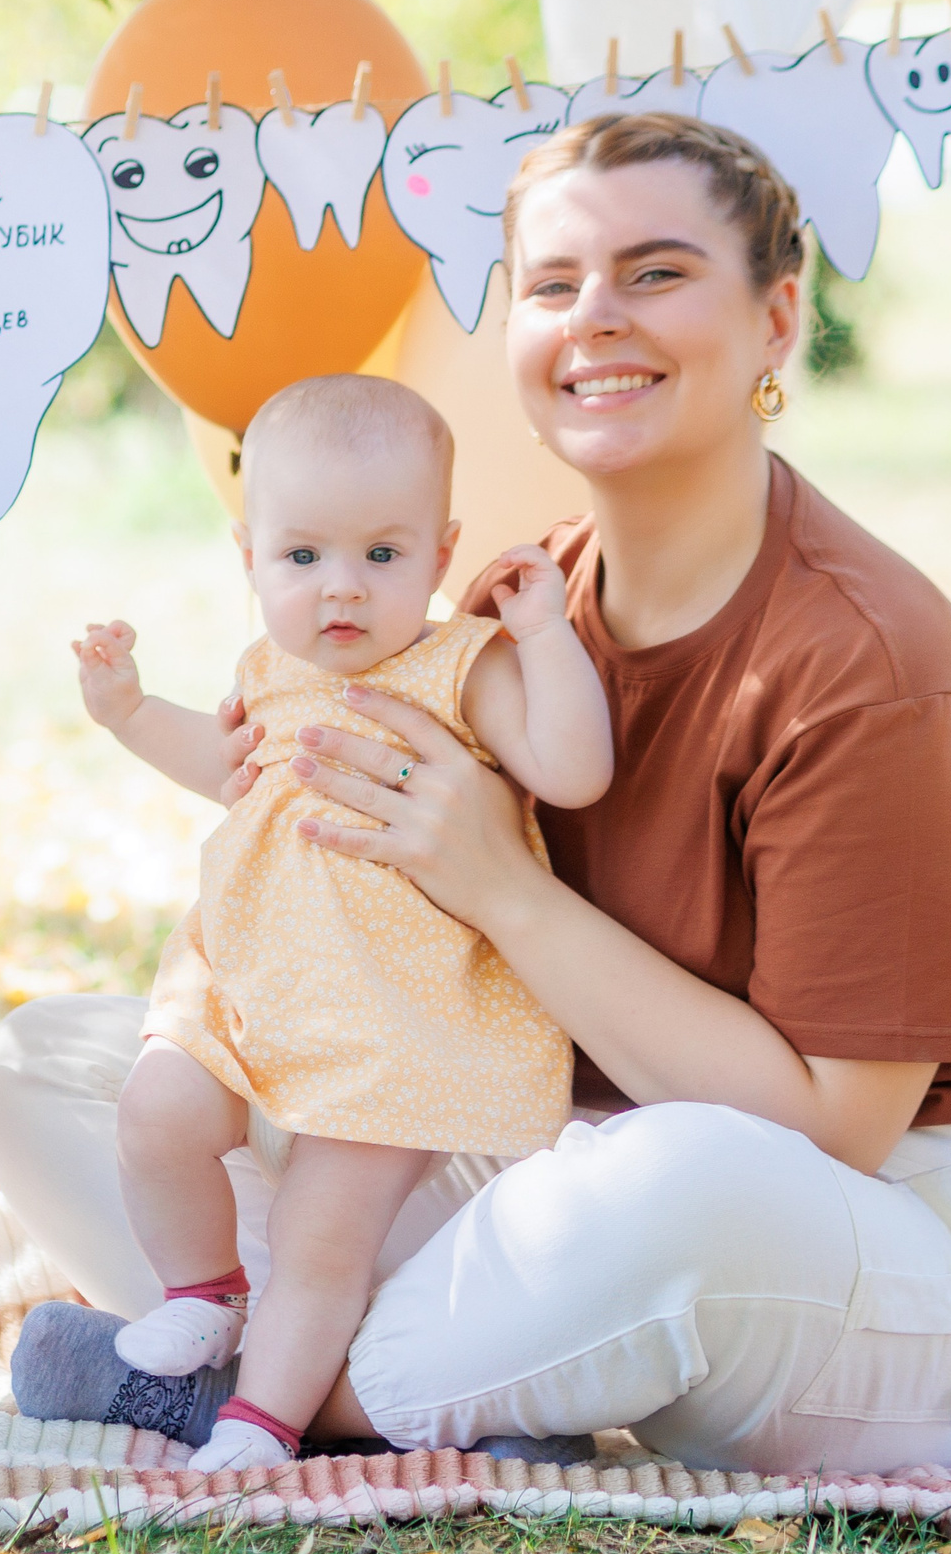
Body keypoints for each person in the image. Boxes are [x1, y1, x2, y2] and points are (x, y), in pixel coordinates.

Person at [0, 112, 951, 1477]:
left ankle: (292, 1392)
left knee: (670, 1186)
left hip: (863, 1231)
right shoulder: (513, 606)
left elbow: (827, 1127)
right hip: (558, 1141)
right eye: (554, 285)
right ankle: (370, 1365)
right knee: (64, 1069)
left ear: (777, 318)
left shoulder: (877, 674)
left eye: (658, 273)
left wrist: (497, 876)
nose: (596, 319)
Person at [68, 374, 610, 1472]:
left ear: (442, 551)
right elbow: (224, 773)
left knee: (323, 1233)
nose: (341, 590)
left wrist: (546, 636)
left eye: (383, 554)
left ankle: (261, 1420)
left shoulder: (462, 665)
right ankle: (206, 1292)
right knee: (155, 1113)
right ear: (249, 556)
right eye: (302, 557)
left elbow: (573, 769)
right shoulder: (267, 671)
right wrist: (127, 710)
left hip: (392, 1013)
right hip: (249, 980)